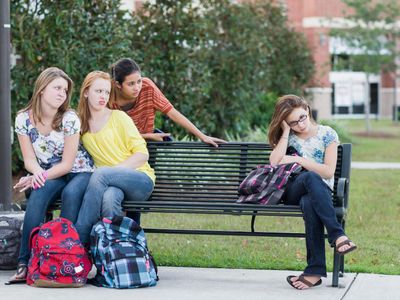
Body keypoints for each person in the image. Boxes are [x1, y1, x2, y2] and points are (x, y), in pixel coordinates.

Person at [7, 67, 94, 284]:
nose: (62, 94)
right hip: (47, 171)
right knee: (37, 195)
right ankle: (25, 264)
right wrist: (36, 175)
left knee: (72, 194)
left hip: (79, 171)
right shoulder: (22, 119)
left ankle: (64, 259)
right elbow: (29, 159)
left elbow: (67, 164)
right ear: (41, 89)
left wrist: (40, 175)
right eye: (57, 88)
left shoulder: (69, 118)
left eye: (64, 90)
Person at [268, 95, 357, 290]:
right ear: (286, 123)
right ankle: (337, 235)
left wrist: (298, 160)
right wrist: (284, 132)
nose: (300, 124)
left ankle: (314, 272)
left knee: (310, 201)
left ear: (307, 109)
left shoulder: (327, 134)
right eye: (293, 122)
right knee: (309, 177)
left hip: (319, 193)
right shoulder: (288, 136)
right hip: (292, 191)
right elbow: (274, 162)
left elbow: (327, 171)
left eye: (302, 117)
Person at [74, 71, 155, 245]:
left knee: (102, 173)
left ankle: (79, 241)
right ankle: (113, 254)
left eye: (106, 92)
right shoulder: (80, 124)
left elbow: (142, 154)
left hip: (140, 179)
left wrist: (112, 172)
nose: (103, 96)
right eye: (98, 91)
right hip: (109, 185)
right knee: (110, 198)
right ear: (86, 92)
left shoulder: (119, 117)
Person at [109, 58, 226, 146]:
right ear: (118, 84)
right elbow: (109, 135)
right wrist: (147, 136)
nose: (137, 87)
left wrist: (202, 136)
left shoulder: (147, 87)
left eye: (138, 81)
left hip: (145, 149)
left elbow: (172, 113)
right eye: (131, 84)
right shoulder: (108, 95)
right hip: (119, 149)